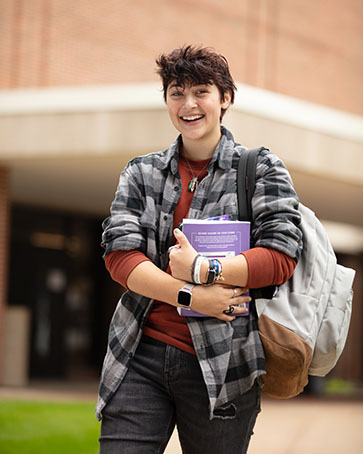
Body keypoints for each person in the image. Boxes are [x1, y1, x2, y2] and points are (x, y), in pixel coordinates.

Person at [97, 45, 302, 454]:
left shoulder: (260, 168)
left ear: (224, 99)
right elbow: (120, 257)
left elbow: (281, 256)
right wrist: (191, 294)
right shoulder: (141, 172)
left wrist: (204, 268)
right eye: (176, 92)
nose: (188, 104)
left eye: (201, 91)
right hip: (140, 355)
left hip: (225, 362)